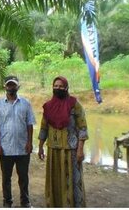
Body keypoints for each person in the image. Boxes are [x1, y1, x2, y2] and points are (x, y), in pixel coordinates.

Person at [38, 76, 88, 207]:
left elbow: (82, 128)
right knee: (55, 180)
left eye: (61, 86)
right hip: (53, 149)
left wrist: (80, 150)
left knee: (72, 180)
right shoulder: (48, 106)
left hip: (71, 149)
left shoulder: (74, 104)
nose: (58, 88)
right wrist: (40, 147)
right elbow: (44, 127)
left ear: (66, 87)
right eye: (55, 86)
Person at [0, 76, 36, 209]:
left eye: (13, 85)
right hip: (5, 148)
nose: (11, 88)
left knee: (23, 177)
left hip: (22, 148)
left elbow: (29, 124)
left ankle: (25, 201)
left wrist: (29, 142)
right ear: (5, 87)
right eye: (9, 85)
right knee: (6, 178)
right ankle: (7, 201)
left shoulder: (26, 103)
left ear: (18, 87)